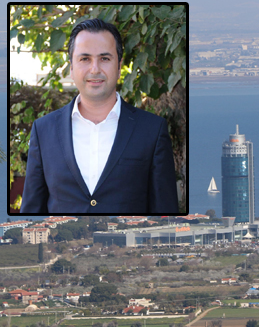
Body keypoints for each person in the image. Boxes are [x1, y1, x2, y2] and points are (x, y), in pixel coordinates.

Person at [20, 18, 178, 214]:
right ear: (71, 67)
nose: (95, 69)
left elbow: (165, 213)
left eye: (104, 58)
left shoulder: (152, 130)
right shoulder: (43, 130)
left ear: (119, 65)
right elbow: (31, 212)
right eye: (85, 58)